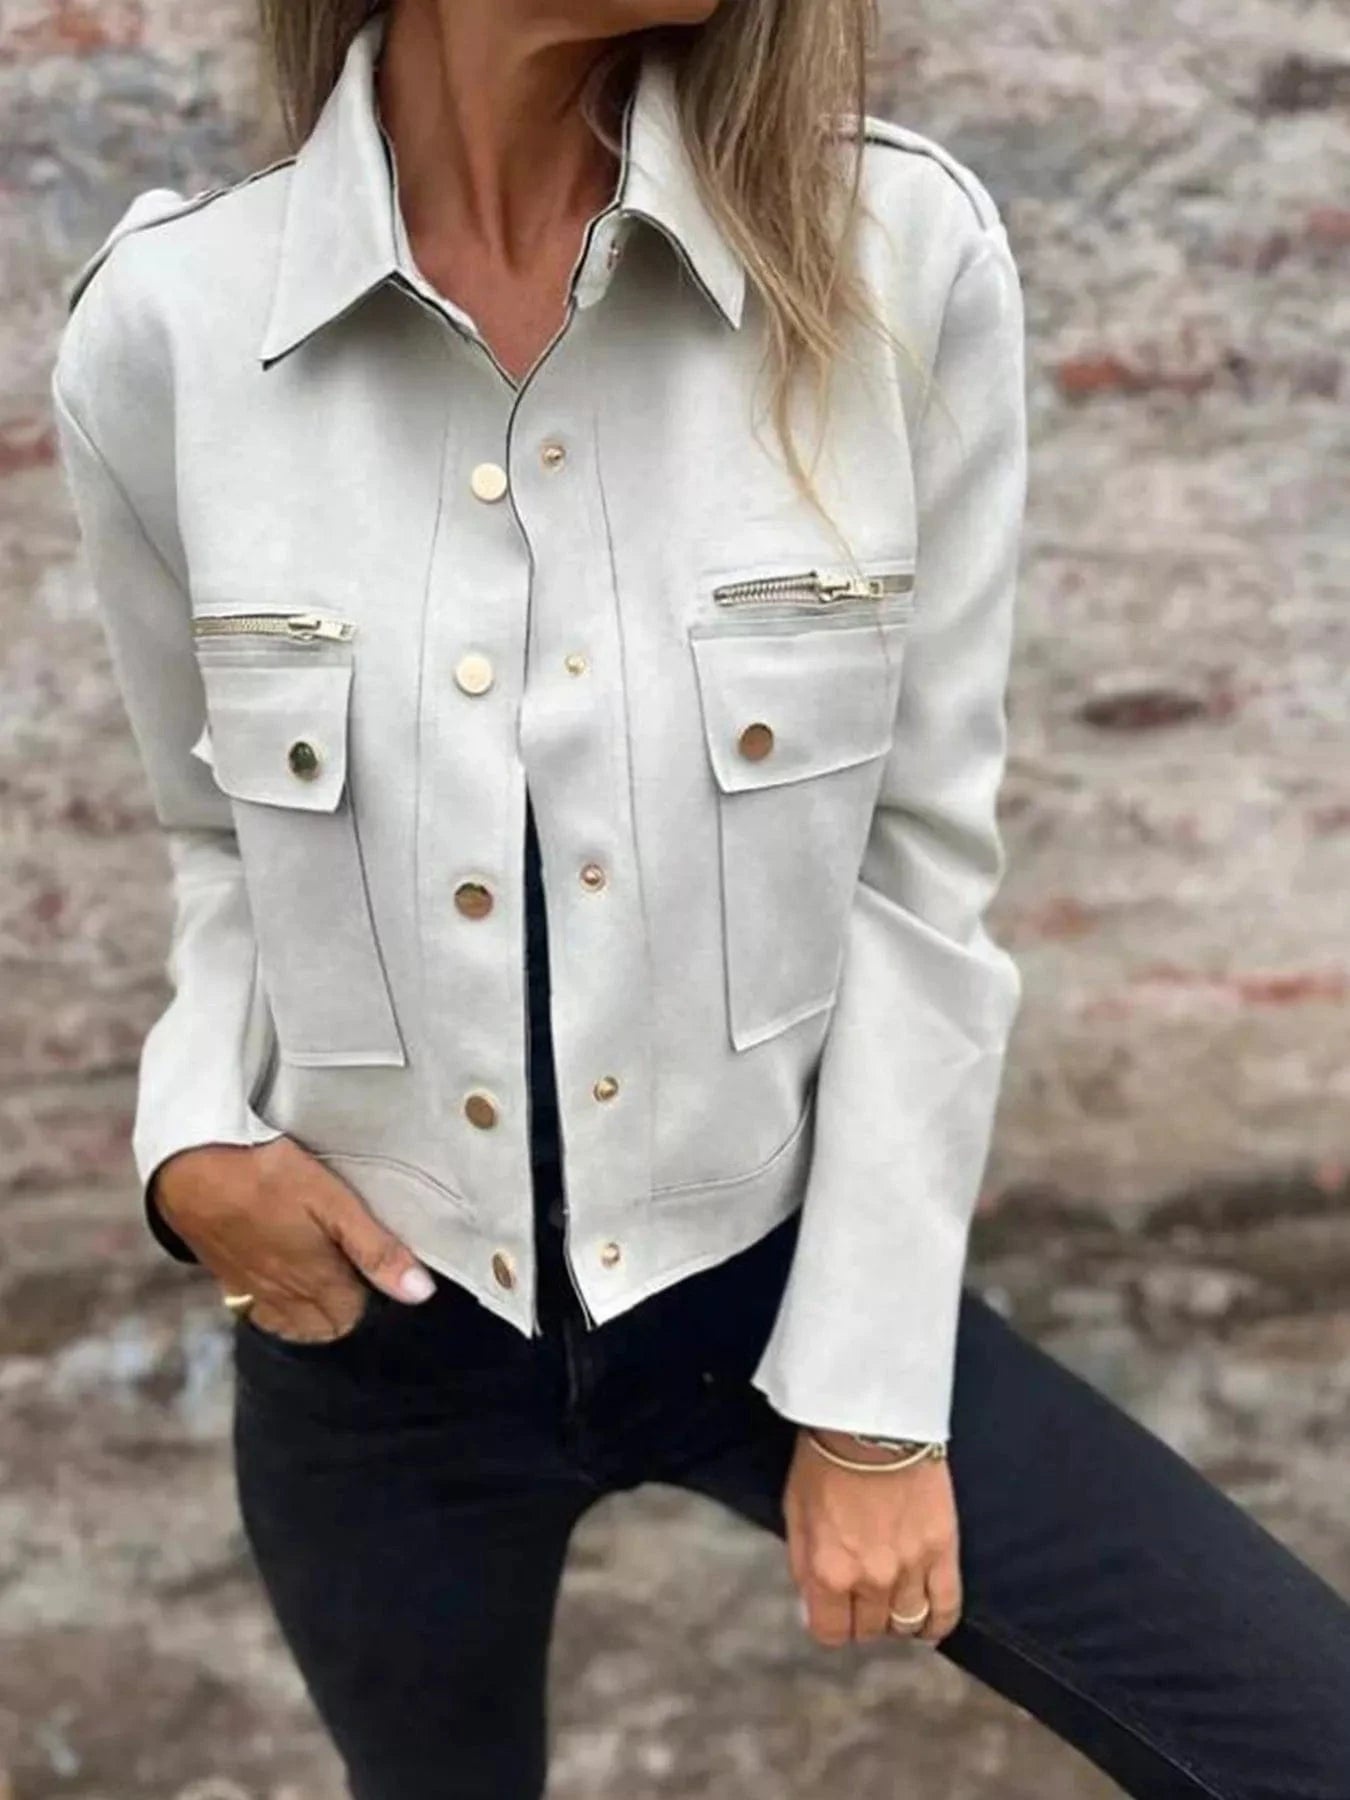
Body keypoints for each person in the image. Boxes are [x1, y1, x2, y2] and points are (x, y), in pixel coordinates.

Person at [50, 2, 1350, 1796]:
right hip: (374, 1332)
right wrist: (192, 1139)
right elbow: (213, 836)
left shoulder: (891, 259)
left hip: (776, 1275)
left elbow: (918, 858)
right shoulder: (172, 327)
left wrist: (874, 1408)